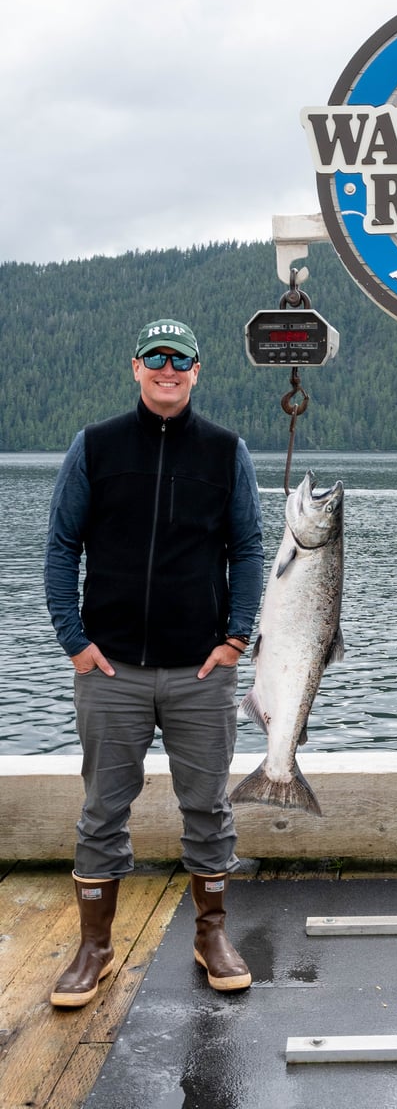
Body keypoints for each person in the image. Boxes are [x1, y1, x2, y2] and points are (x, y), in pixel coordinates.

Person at [44, 318, 264, 1007]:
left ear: (198, 372)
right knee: (102, 811)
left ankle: (212, 934)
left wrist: (235, 639)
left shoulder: (227, 452)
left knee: (208, 809)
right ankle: (96, 947)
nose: (169, 369)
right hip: (112, 671)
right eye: (156, 358)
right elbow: (60, 548)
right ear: (135, 366)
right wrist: (74, 642)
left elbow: (250, 550)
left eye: (183, 359)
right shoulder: (95, 446)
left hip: (202, 671)